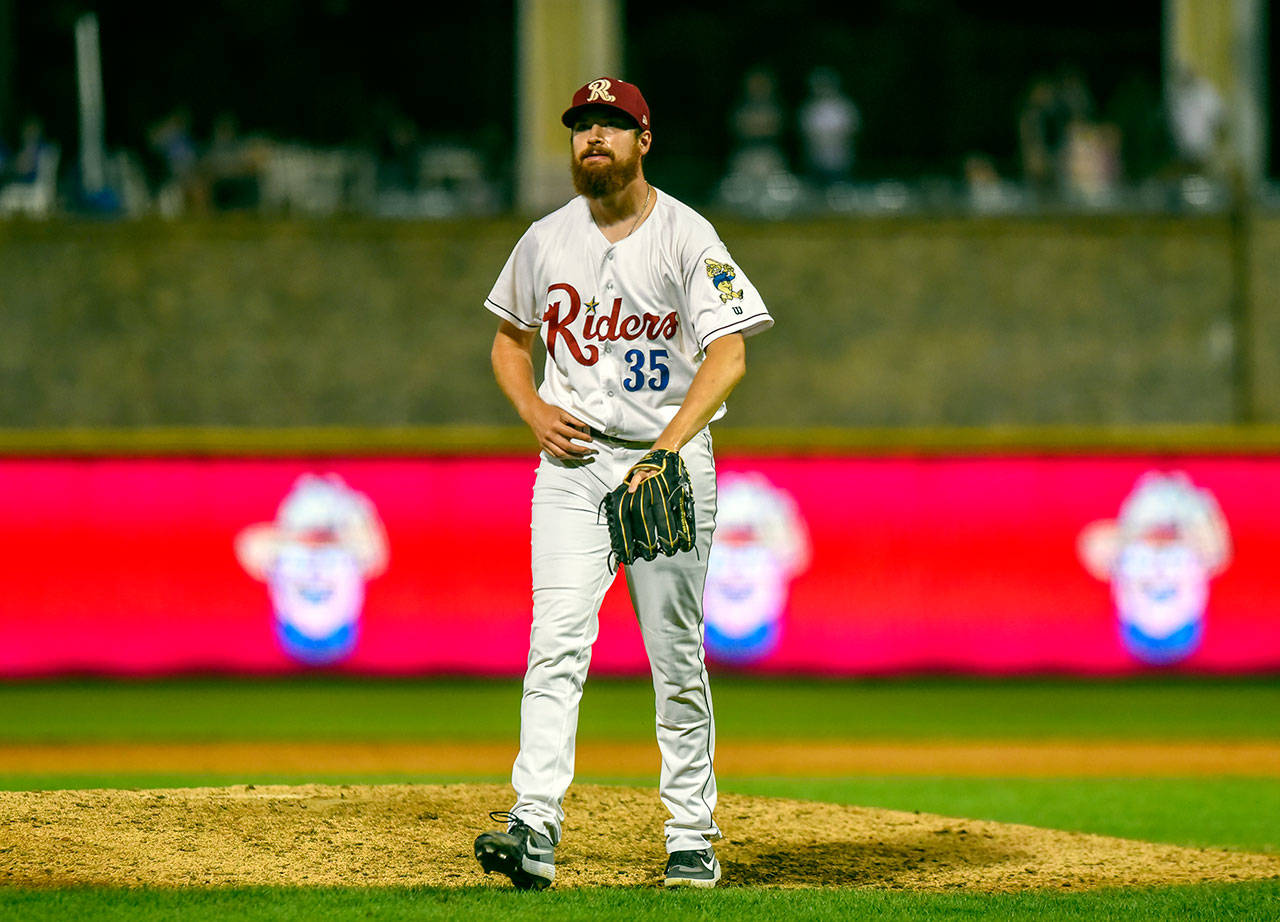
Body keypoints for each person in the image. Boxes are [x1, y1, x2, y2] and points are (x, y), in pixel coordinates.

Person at [474, 77, 773, 890]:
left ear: (645, 141)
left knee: (675, 655)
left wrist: (669, 448)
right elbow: (508, 341)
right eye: (582, 126)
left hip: (664, 459)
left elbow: (731, 353)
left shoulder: (687, 235)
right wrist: (532, 407)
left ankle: (690, 835)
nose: (592, 138)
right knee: (556, 642)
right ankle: (533, 824)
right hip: (572, 465)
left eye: (611, 125)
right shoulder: (545, 240)